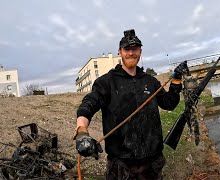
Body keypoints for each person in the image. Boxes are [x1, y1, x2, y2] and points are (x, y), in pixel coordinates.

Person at [73, 29, 188, 179]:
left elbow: (169, 103)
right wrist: (82, 131)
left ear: (140, 51)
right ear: (120, 52)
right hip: (122, 165)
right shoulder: (106, 82)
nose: (131, 53)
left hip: (152, 161)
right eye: (127, 49)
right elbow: (88, 105)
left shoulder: (150, 81)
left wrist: (176, 80)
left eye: (135, 49)